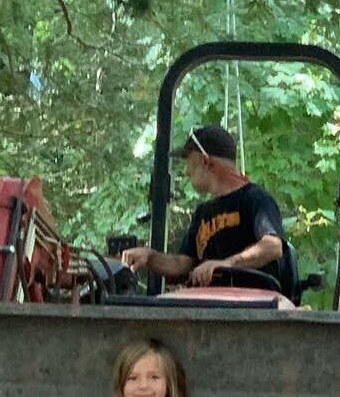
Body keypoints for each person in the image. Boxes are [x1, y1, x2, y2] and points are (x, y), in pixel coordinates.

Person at [121, 123, 285, 289]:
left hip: (255, 306)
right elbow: (181, 264)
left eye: (190, 162)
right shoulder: (202, 213)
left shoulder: (256, 198)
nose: (186, 172)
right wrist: (149, 256)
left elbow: (273, 246)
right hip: (209, 306)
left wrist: (226, 264)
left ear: (206, 162)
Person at [109, 339, 192, 397]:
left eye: (154, 377)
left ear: (169, 382)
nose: (143, 385)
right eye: (133, 378)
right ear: (120, 383)